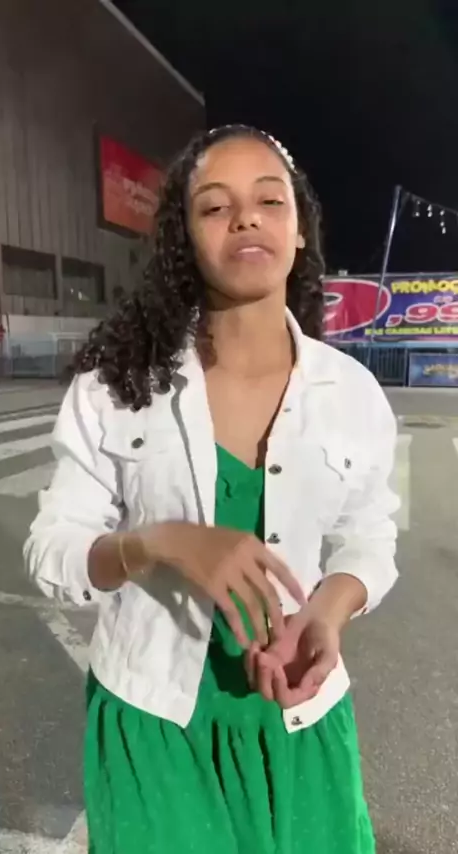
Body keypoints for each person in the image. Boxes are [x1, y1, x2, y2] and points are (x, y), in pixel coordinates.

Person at [24, 124, 399, 854]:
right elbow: (51, 551)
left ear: (299, 230)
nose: (246, 218)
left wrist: (326, 615)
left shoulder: (352, 392)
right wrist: (156, 544)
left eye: (269, 201)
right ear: (185, 240)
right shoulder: (115, 388)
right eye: (215, 206)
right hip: (154, 726)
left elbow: (371, 535)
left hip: (300, 721)